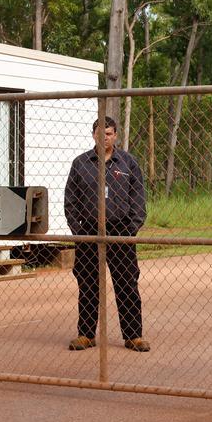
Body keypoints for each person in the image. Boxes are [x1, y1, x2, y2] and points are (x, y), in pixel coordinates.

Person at [63, 115, 150, 352]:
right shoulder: (80, 163)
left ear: (115, 136)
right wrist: (78, 230)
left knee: (127, 285)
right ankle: (86, 334)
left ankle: (133, 336)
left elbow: (138, 199)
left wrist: (131, 228)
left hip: (120, 231)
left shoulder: (128, 163)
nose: (105, 137)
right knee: (88, 284)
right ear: (93, 135)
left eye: (109, 133)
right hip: (89, 231)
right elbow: (70, 200)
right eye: (100, 133)